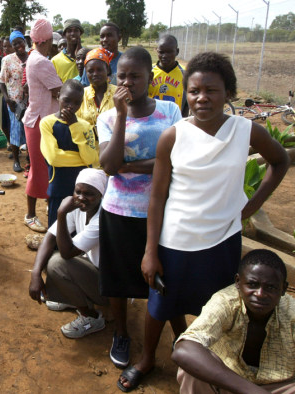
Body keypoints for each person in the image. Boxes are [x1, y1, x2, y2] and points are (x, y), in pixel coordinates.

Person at [117, 51, 290, 392]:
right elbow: (157, 197)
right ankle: (148, 359)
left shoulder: (246, 131)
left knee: (218, 306)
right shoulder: (174, 136)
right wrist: (151, 251)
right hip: (175, 240)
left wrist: (250, 207)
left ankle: (211, 364)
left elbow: (280, 162)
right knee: (160, 304)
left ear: (228, 92)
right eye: (194, 91)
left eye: (211, 90)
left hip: (222, 240)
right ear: (185, 94)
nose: (202, 98)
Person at [97, 47, 182, 372]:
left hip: (161, 213)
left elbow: (176, 161)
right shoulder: (107, 117)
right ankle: (121, 333)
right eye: (122, 76)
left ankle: (181, 336)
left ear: (150, 78)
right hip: (118, 212)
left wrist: (130, 164)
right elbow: (109, 166)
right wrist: (121, 115)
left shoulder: (170, 111)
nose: (128, 82)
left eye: (135, 76)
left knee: (164, 278)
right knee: (118, 281)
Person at [172, 249, 295, 394]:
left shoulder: (291, 312)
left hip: (276, 386)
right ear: (238, 282)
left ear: (283, 289)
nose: (260, 294)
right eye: (252, 284)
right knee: (193, 370)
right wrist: (252, 391)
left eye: (270, 287)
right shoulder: (225, 302)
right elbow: (183, 350)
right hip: (226, 382)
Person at [28, 168, 109, 336]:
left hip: (109, 287)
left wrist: (61, 213)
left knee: (57, 263)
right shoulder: (79, 208)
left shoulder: (103, 218)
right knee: (45, 257)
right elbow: (50, 237)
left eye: (89, 193)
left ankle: (92, 316)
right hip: (94, 268)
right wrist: (35, 274)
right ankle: (72, 298)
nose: (81, 198)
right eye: (77, 191)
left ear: (101, 194)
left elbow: (67, 253)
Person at [22, 19, 62, 233]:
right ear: (46, 42)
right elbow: (59, 91)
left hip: (39, 120)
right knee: (39, 169)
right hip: (40, 122)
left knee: (45, 167)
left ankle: (46, 205)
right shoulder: (42, 62)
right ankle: (30, 214)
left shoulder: (34, 58)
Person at [40, 79, 97, 227]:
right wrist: (82, 159)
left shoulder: (85, 126)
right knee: (57, 228)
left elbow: (91, 157)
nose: (71, 106)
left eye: (77, 103)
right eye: (67, 100)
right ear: (58, 96)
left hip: (82, 190)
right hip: (58, 186)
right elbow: (54, 158)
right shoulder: (47, 123)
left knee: (78, 228)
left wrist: (74, 126)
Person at [0, 30, 28, 173]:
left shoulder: (33, 57)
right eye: (14, 43)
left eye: (20, 42)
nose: (18, 45)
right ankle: (16, 161)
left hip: (31, 102)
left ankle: (30, 160)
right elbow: (1, 82)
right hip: (15, 102)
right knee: (15, 132)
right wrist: (7, 99)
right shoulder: (8, 60)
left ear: (25, 42)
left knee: (30, 132)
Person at [76, 48, 116, 153]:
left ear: (107, 69)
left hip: (113, 152)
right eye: (90, 71)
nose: (95, 74)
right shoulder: (80, 95)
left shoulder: (118, 94)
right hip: (86, 154)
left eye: (99, 69)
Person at [148, 35, 188, 117]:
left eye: (169, 52)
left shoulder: (185, 74)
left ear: (177, 51)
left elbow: (186, 103)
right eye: (161, 52)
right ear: (157, 51)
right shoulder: (148, 71)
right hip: (151, 121)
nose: (165, 56)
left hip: (175, 122)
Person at [81, 22, 122, 88]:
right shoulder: (92, 60)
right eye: (102, 36)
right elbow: (85, 87)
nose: (105, 40)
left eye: (109, 35)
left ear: (119, 38)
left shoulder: (125, 61)